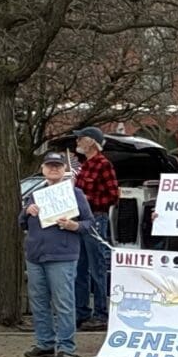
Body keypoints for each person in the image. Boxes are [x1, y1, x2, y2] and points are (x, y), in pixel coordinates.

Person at [21, 152, 94, 357]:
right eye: (49, 166)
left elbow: (89, 223)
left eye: (58, 166)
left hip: (62, 255)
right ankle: (45, 343)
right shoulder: (34, 194)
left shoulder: (75, 193)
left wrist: (75, 226)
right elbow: (20, 221)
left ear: (65, 170)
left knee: (64, 302)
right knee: (39, 302)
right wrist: (27, 211)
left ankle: (66, 347)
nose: (53, 169)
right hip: (36, 255)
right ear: (43, 169)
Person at [72, 126, 119, 332]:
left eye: (80, 139)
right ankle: (81, 311)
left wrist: (87, 200)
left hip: (96, 218)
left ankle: (101, 313)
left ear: (91, 141)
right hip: (80, 220)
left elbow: (113, 196)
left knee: (97, 267)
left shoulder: (103, 164)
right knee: (80, 267)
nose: (77, 142)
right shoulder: (85, 165)